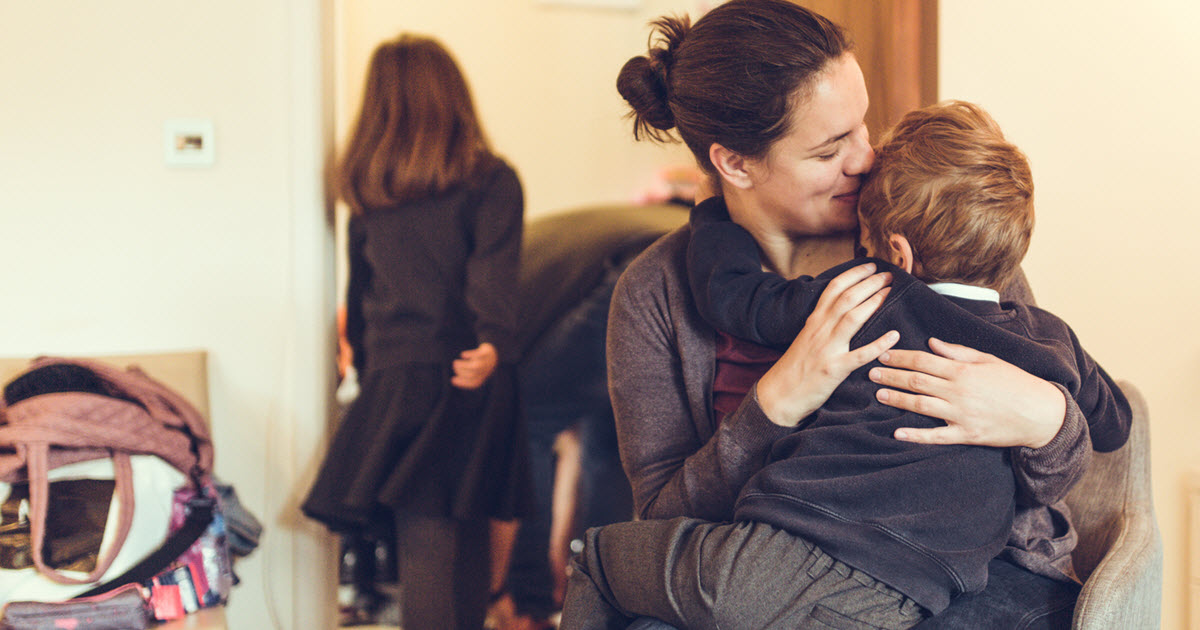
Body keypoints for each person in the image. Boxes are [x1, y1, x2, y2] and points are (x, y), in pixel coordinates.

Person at [561, 1, 1106, 628]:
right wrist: (773, 406)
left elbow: (1060, 469)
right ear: (735, 164)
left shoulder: (936, 240)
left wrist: (1045, 417)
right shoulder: (655, 292)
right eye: (829, 149)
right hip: (768, 575)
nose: (866, 159)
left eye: (863, 127)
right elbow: (661, 522)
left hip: (970, 575)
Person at [300, 33, 530, 630]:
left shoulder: (372, 198)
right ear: (452, 100)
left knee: (426, 542)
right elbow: (492, 273)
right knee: (464, 532)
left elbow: (361, 293)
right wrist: (492, 344)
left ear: (379, 110)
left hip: (399, 383)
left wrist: (359, 363)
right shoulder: (492, 180)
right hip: (468, 372)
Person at [504, 203, 690, 629]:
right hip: (681, 257)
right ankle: (597, 596)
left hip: (637, 265)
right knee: (609, 442)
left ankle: (527, 606)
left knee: (523, 424)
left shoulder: (479, 282)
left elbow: (524, 429)